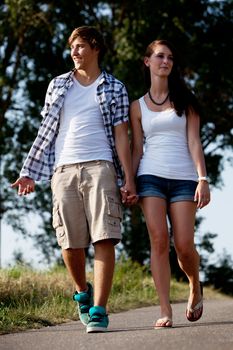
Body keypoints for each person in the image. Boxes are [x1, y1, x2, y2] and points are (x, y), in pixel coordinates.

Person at [11, 26, 137, 333]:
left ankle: (99, 310)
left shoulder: (114, 87)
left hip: (101, 166)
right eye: (72, 48)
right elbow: (46, 132)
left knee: (105, 236)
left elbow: (123, 135)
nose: (74, 52)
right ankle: (82, 291)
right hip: (63, 169)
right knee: (69, 241)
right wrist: (29, 170)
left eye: (80, 46)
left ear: (95, 48)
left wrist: (128, 178)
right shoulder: (57, 85)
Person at [130, 39, 210, 328]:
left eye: (170, 58)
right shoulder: (137, 107)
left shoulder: (186, 101)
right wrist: (129, 181)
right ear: (147, 61)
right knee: (159, 240)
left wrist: (202, 179)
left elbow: (194, 141)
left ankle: (193, 282)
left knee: (185, 245)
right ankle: (165, 310)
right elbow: (137, 148)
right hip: (149, 176)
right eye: (160, 56)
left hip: (184, 178)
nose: (166, 61)